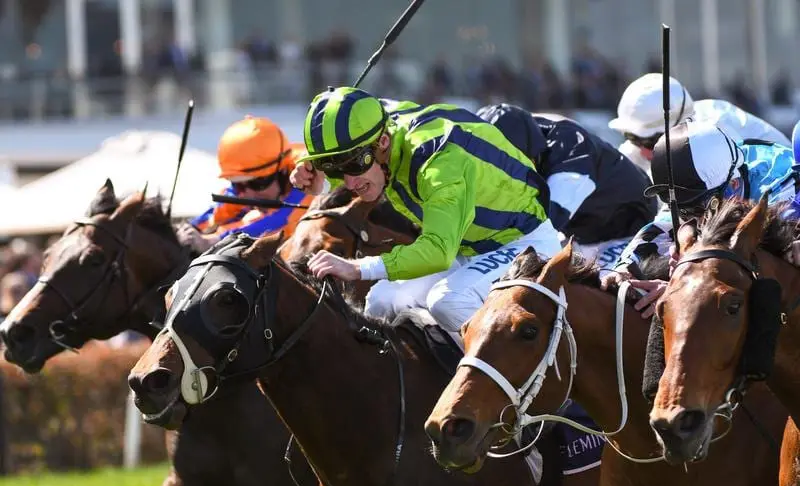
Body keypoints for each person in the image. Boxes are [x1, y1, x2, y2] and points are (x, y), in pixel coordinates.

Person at [290, 86, 563, 336]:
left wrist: (357, 268)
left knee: (448, 302)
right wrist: (319, 174)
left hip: (523, 243)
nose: (348, 182)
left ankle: (513, 386)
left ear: (383, 142)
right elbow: (353, 128)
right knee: (380, 301)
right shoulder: (380, 126)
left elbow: (437, 253)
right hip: (467, 249)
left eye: (353, 164)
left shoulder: (437, 163)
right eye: (336, 168)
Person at [600, 120, 800, 317]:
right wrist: (622, 268)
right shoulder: (699, 191)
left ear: (735, 184)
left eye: (698, 207)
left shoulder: (780, 189)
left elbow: (755, 267)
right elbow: (659, 228)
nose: (694, 218)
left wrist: (681, 286)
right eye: (682, 210)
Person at [477, 103, 656, 268]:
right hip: (579, 230)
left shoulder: (573, 153)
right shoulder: (526, 134)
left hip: (626, 233)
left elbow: (544, 226)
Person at [176, 116, 313, 253]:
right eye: (238, 185)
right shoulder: (248, 185)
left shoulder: (309, 180)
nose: (247, 194)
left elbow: (281, 221)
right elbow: (219, 211)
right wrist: (191, 228)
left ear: (282, 170)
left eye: (257, 183)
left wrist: (212, 241)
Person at [608, 73, 790, 176]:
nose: (644, 151)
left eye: (651, 142)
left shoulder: (718, 136)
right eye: (633, 138)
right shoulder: (645, 144)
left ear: (681, 127)